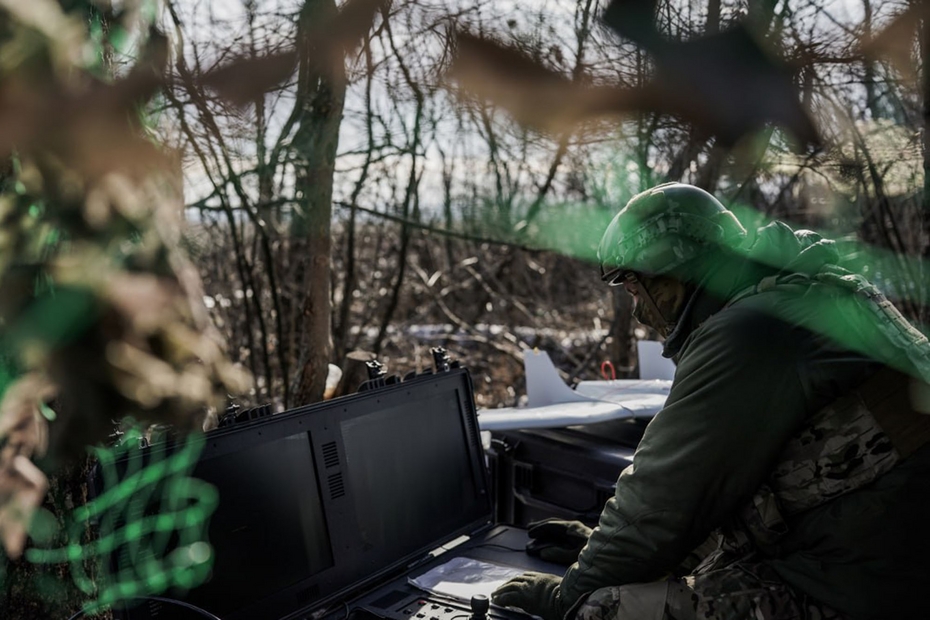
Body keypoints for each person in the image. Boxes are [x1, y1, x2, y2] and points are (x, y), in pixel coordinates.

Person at [492, 183, 930, 620]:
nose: (641, 312)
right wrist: (595, 551)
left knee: (603, 611)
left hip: (864, 586)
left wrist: (567, 595)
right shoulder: (804, 296)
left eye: (637, 289)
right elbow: (725, 494)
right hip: (878, 557)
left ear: (674, 272)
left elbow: (660, 502)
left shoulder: (751, 331)